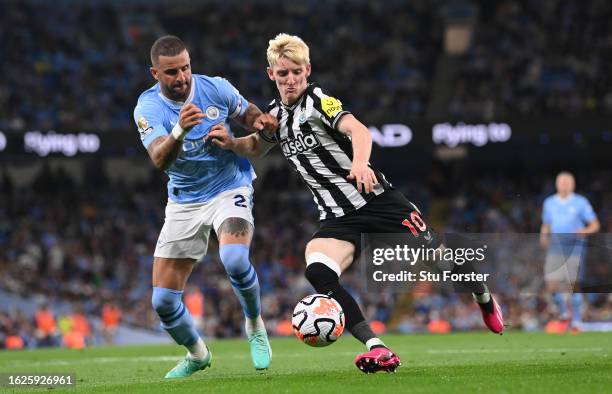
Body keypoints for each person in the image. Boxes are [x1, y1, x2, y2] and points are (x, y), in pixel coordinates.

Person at [207, 33, 504, 373]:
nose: (290, 80)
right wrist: (231, 143)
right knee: (318, 270)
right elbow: (257, 147)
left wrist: (360, 163)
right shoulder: (275, 117)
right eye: (283, 73)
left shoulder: (319, 101)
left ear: (308, 71)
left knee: (442, 262)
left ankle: (483, 296)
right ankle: (378, 348)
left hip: (379, 203)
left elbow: (359, 131)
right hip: (338, 220)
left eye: (297, 72)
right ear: (271, 74)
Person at [133, 35, 277, 378]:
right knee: (163, 303)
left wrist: (261, 122)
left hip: (229, 186)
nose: (182, 77)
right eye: (171, 72)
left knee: (234, 258)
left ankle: (255, 325)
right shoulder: (147, 108)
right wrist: (180, 130)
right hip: (184, 201)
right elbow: (158, 158)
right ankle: (197, 355)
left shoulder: (215, 88)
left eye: (185, 67)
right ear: (155, 73)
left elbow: (250, 114)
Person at [540, 172, 599, 332]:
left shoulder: (581, 202)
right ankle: (564, 312)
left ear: (572, 184)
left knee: (573, 284)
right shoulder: (549, 203)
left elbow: (594, 224)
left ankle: (577, 321)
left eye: (568, 181)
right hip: (555, 247)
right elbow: (546, 224)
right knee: (551, 284)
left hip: (575, 247)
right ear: (557, 184)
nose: (564, 184)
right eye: (562, 181)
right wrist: (543, 236)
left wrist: (585, 231)